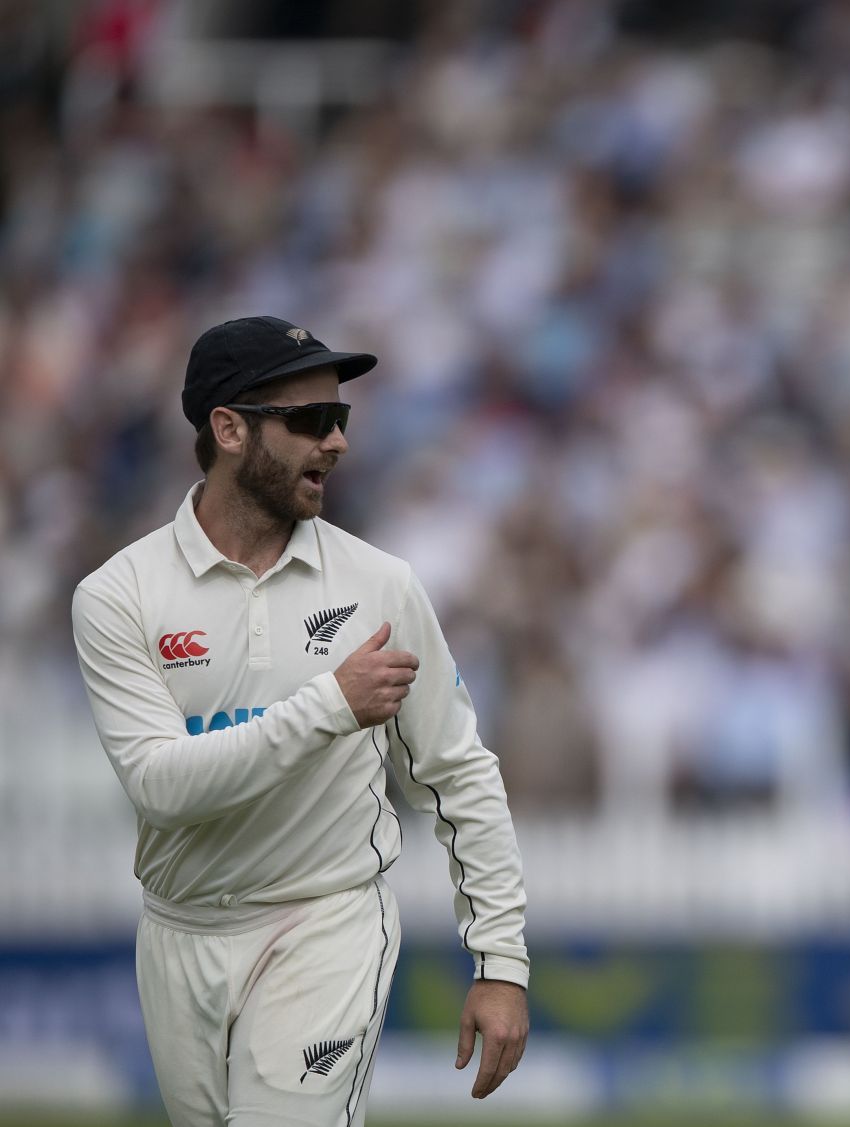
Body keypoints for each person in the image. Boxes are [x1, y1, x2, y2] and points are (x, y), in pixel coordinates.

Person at [70, 316, 532, 1125]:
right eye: (310, 421)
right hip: (181, 933)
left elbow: (458, 773)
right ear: (229, 429)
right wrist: (331, 704)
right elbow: (162, 787)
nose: (337, 442)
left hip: (327, 919)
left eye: (340, 418)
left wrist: (501, 961)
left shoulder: (380, 585)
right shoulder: (119, 596)